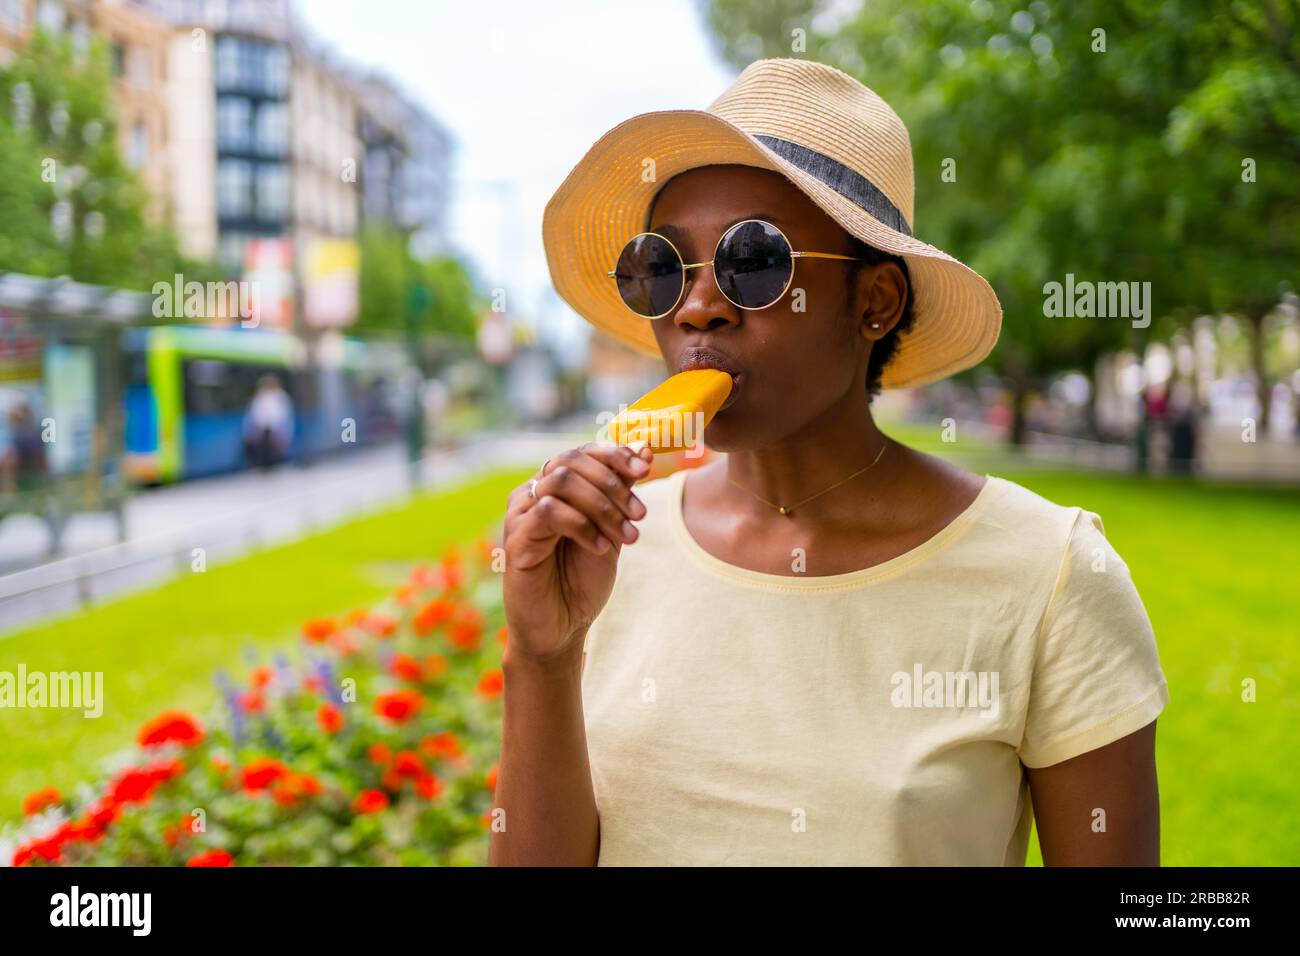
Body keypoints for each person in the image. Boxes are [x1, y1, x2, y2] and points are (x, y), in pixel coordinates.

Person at [493, 59, 1169, 866]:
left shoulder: (1051, 574)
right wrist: (542, 654)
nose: (700, 305)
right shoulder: (609, 552)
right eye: (664, 269)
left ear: (874, 302)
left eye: (753, 262)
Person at [242, 374, 294, 471]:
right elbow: (254, 415)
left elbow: (282, 415)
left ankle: (271, 466)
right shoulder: (259, 397)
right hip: (262, 429)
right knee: (264, 451)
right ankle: (266, 466)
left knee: (272, 451)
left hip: (274, 429)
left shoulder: (280, 396)